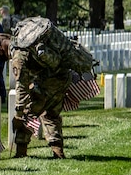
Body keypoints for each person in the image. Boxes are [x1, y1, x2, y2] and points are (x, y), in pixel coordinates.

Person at [9, 17, 87, 159]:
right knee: (51, 114)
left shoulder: (19, 54)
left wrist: (19, 112)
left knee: (28, 114)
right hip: (63, 75)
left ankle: (21, 152)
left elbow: (21, 85)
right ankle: (58, 151)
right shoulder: (34, 39)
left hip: (50, 80)